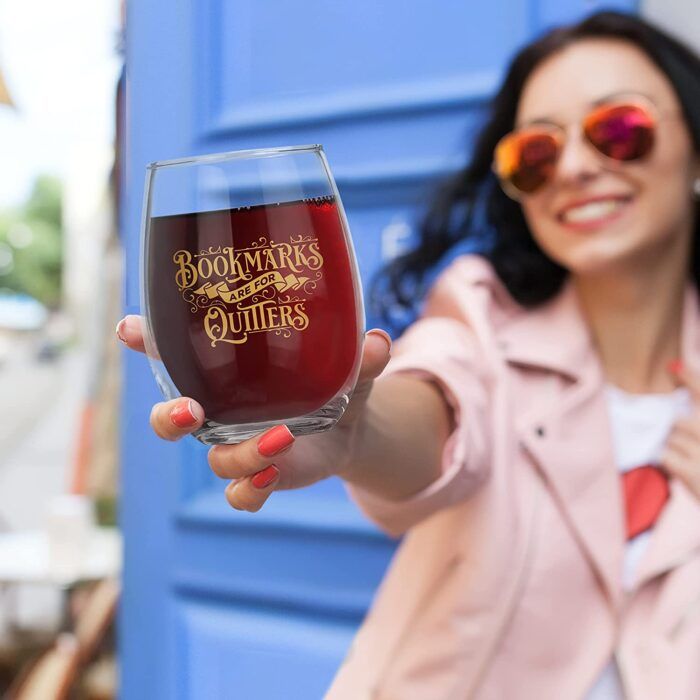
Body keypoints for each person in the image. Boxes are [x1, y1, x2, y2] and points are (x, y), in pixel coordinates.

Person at [116, 10, 700, 699]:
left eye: (619, 130)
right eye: (536, 155)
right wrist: (353, 431)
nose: (574, 168)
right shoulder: (480, 317)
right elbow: (432, 406)